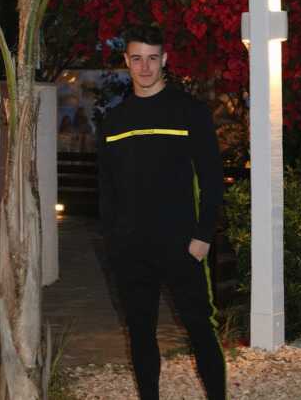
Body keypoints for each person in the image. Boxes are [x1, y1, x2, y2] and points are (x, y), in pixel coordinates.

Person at [98, 25, 226, 400]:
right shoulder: (114, 121)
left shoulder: (190, 112)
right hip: (131, 251)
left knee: (200, 328)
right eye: (137, 59)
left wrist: (203, 236)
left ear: (164, 59)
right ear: (126, 61)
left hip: (183, 246)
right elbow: (106, 189)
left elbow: (212, 180)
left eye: (152, 58)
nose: (145, 67)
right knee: (140, 332)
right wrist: (113, 242)